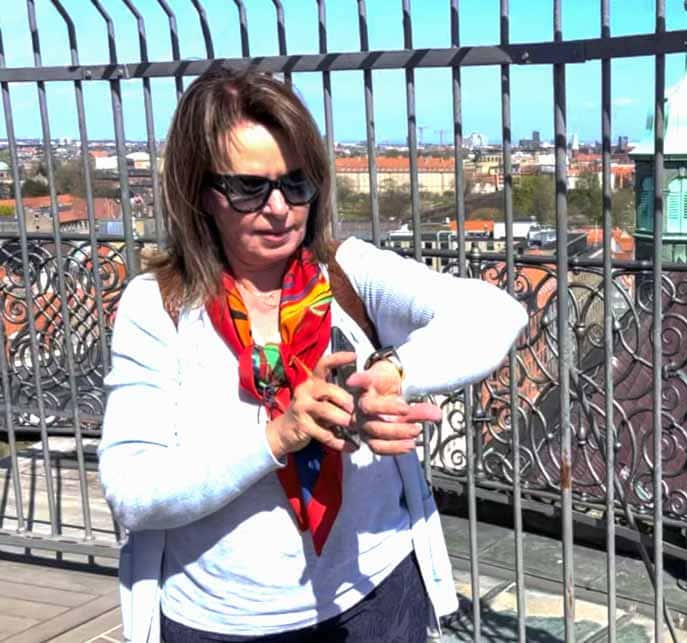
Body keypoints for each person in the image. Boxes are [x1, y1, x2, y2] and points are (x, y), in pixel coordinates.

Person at [99, 68, 526, 643]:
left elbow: (498, 314)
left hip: (375, 593)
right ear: (199, 190)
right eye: (249, 188)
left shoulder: (346, 271)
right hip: (228, 620)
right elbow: (132, 490)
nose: (279, 209)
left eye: (296, 184)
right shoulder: (160, 306)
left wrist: (395, 372)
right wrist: (275, 438)